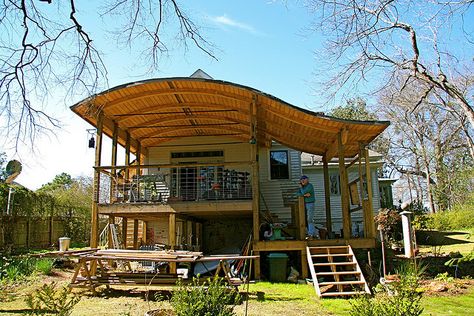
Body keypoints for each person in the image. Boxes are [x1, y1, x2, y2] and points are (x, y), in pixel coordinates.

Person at [297, 175, 318, 239]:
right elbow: (298, 194)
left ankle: (310, 234)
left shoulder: (310, 186)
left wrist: (302, 190)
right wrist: (304, 195)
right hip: (304, 204)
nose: (302, 180)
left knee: (310, 219)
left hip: (310, 204)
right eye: (301, 179)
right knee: (307, 219)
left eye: (304, 179)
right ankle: (314, 234)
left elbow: (303, 192)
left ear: (307, 180)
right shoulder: (303, 187)